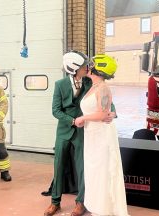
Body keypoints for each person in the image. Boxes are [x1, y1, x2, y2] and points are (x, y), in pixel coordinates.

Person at [44, 50, 116, 216]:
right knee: (59, 167)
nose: (87, 68)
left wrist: (113, 113)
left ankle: (80, 202)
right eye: (84, 66)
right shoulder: (59, 84)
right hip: (63, 132)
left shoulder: (90, 82)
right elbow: (55, 110)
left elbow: (107, 103)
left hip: (85, 133)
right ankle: (55, 202)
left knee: (82, 168)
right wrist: (72, 121)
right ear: (73, 68)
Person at [75, 54, 129, 216]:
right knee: (94, 172)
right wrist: (87, 119)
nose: (88, 66)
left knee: (102, 172)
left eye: (91, 65)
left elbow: (103, 114)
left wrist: (82, 118)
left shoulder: (103, 88)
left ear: (97, 69)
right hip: (92, 134)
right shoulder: (94, 86)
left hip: (101, 136)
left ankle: (104, 210)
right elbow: (101, 112)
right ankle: (97, 207)